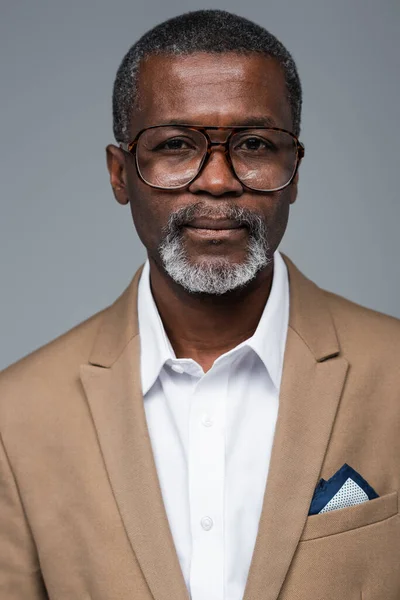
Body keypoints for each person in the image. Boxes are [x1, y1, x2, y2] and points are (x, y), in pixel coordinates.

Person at [0, 9, 399, 600]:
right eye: (177, 145)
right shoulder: (16, 416)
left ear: (294, 172)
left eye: (256, 143)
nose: (217, 181)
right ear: (119, 175)